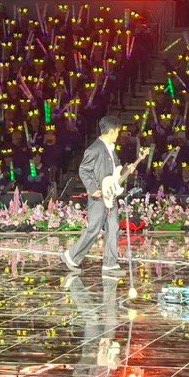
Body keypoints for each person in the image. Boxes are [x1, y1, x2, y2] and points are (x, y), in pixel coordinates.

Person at [64, 116, 125, 275]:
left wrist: (126, 170)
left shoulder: (111, 149)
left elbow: (116, 169)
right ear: (111, 131)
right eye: (117, 132)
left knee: (113, 227)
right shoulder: (94, 149)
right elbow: (84, 170)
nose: (118, 135)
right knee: (94, 228)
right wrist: (93, 189)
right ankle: (72, 256)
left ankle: (110, 263)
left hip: (110, 194)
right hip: (98, 196)